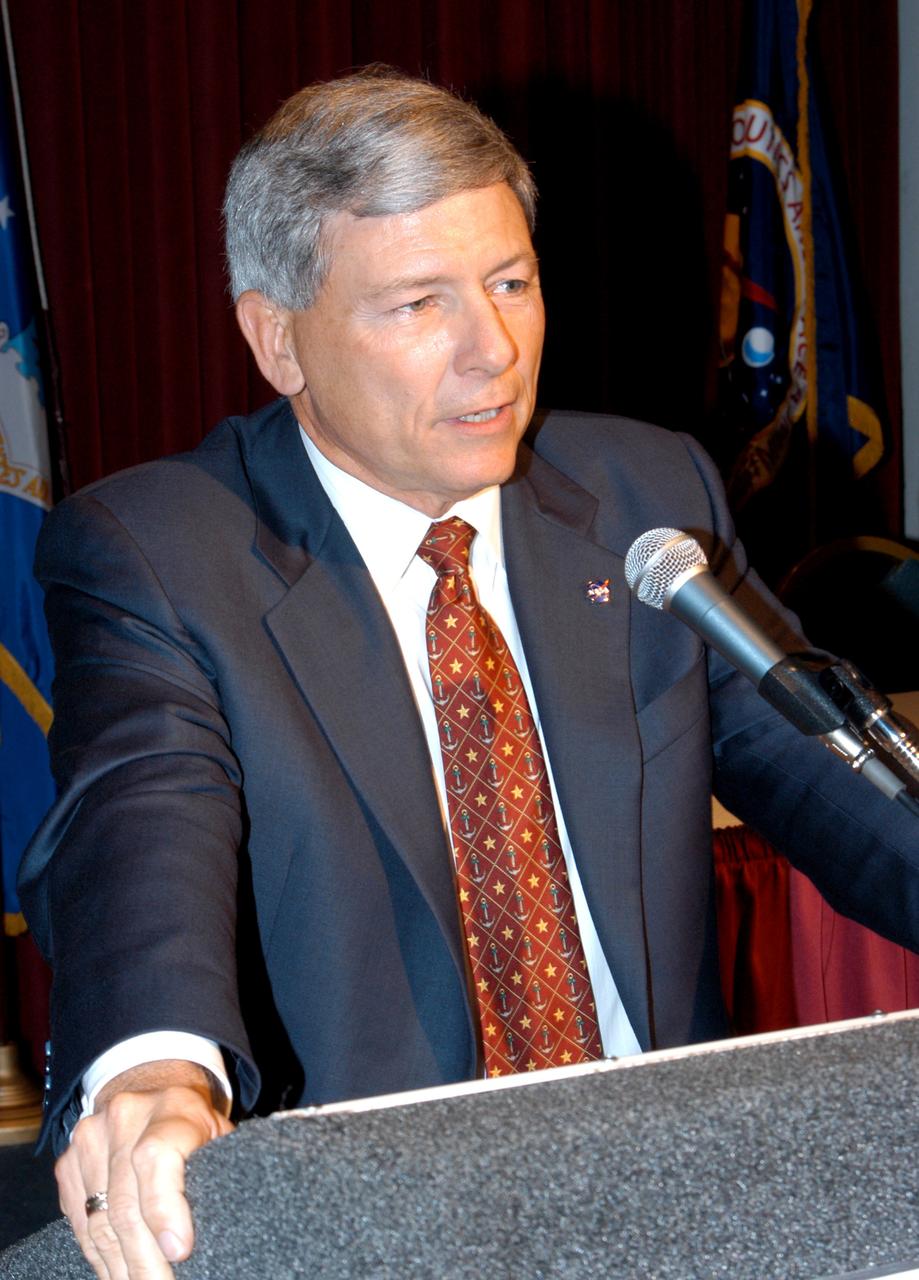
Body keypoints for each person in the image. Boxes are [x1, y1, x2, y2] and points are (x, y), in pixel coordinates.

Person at [19, 66, 919, 1280]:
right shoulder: (162, 554)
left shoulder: (643, 499)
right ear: (276, 338)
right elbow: (138, 822)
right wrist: (155, 1066)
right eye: (416, 304)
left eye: (510, 283)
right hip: (368, 1219)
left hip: (686, 1185)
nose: (490, 351)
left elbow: (833, 781)